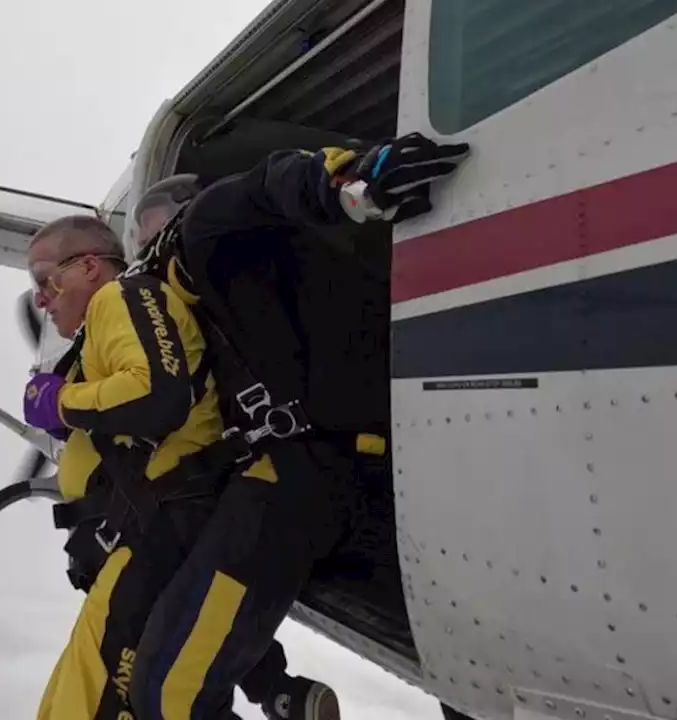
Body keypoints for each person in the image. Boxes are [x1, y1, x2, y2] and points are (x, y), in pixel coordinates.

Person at [111, 132, 471, 720]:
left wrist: (350, 184)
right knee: (467, 680)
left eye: (148, 227)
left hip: (303, 476)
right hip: (382, 475)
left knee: (168, 692)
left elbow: (266, 184)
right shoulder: (260, 281)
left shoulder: (196, 231)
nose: (145, 245)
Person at [22, 215, 340, 720]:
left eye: (45, 280)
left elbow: (155, 393)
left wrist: (61, 402)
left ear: (88, 267)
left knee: (94, 706)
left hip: (158, 532)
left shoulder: (120, 298)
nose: (40, 299)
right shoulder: (102, 327)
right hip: (138, 539)